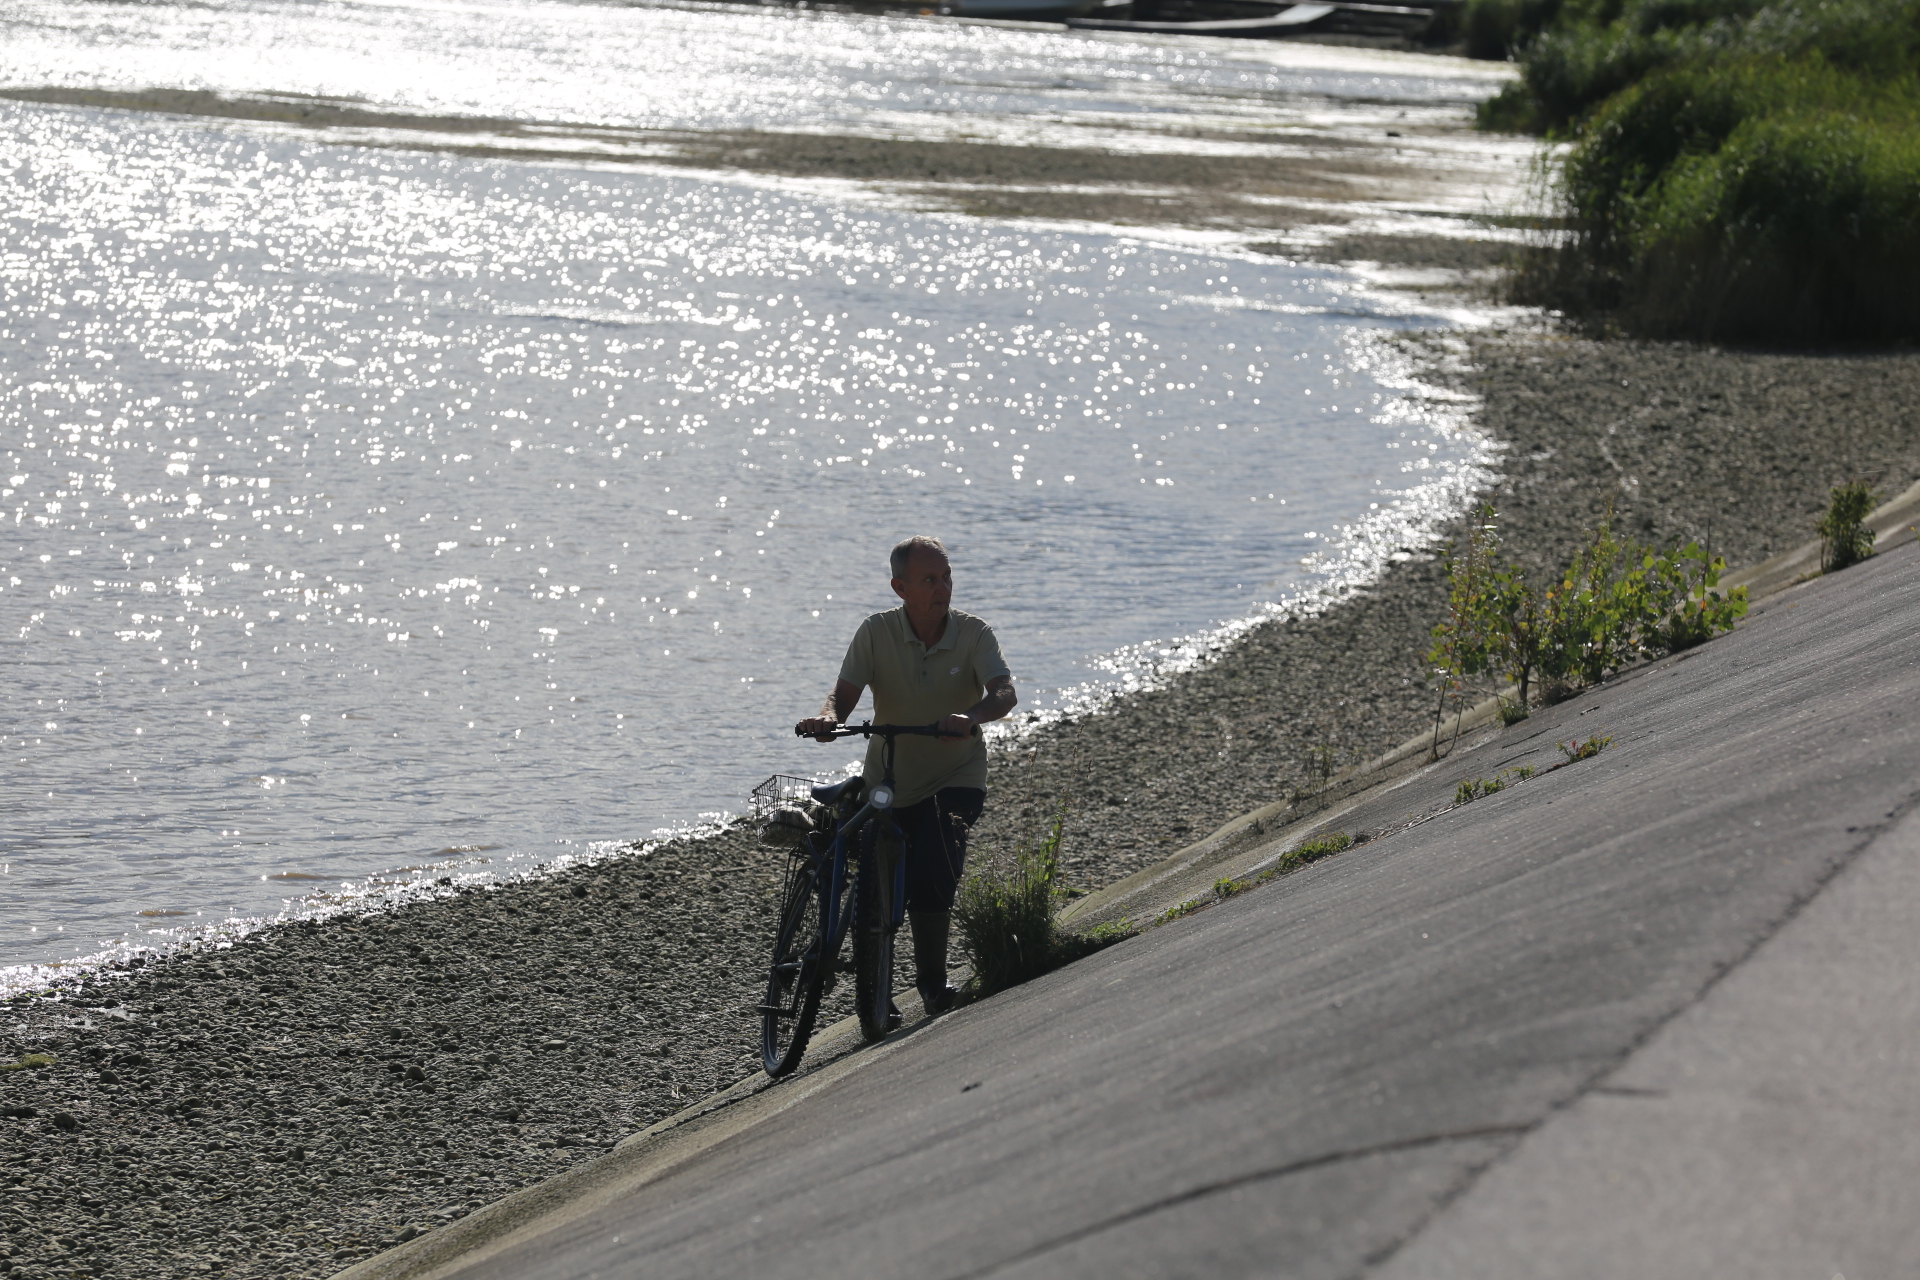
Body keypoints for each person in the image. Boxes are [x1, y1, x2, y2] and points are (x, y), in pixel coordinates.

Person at [794, 535, 1018, 1016]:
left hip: (956, 774)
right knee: (873, 877)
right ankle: (874, 994)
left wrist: (971, 717)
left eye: (947, 576)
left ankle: (932, 986)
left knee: (934, 866)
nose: (943, 587)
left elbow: (1004, 693)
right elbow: (842, 696)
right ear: (900, 587)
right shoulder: (875, 632)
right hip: (889, 777)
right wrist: (828, 719)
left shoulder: (974, 633)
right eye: (930, 579)